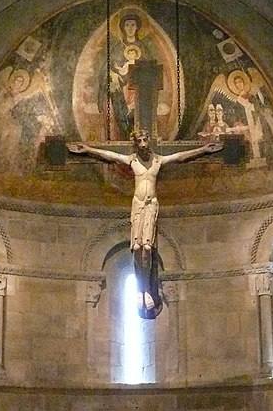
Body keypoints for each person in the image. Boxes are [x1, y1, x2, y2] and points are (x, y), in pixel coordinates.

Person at [68, 129, 222, 314]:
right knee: (137, 247)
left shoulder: (158, 160)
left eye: (144, 139)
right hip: (137, 205)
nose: (142, 143)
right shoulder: (132, 160)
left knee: (147, 249)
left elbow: (180, 156)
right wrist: (87, 149)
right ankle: (141, 290)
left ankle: (147, 289)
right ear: (135, 143)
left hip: (151, 205)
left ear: (149, 141)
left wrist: (203, 149)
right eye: (139, 140)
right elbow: (110, 155)